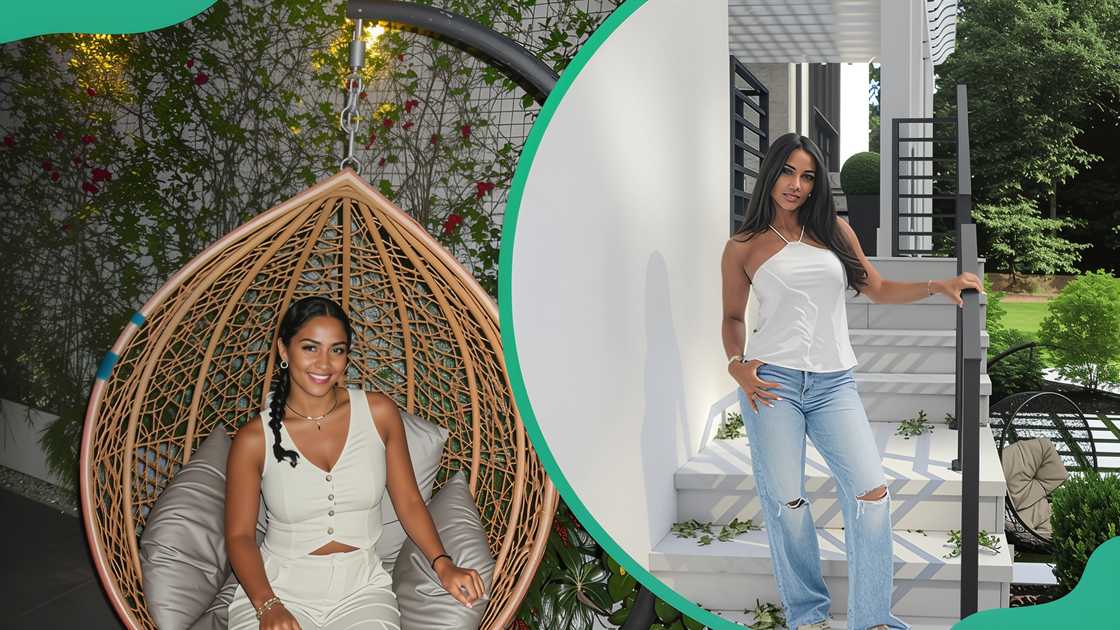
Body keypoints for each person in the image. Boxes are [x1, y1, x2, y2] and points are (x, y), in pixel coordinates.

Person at [720, 133, 983, 630]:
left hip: (833, 384)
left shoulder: (835, 232)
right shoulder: (742, 246)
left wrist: (936, 285)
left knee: (871, 495)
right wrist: (736, 363)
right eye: (787, 172)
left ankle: (871, 619)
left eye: (807, 176)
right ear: (770, 173)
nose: (796, 185)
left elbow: (877, 287)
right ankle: (808, 616)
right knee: (788, 502)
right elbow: (733, 317)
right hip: (770, 382)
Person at [225, 296, 485, 629]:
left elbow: (408, 501)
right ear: (284, 351)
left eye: (337, 350)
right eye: (310, 348)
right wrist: (267, 604)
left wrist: (442, 563)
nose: (324, 363)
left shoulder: (379, 413)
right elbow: (240, 537)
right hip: (276, 589)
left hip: (361, 591)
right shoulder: (254, 439)